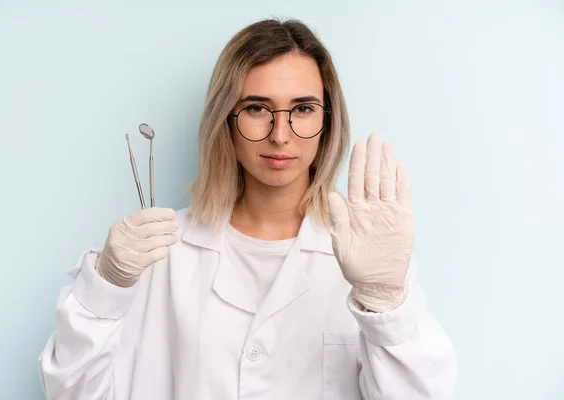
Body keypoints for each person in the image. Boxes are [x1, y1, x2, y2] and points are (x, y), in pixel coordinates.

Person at [39, 18, 456, 399]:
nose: (280, 135)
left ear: (328, 120)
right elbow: (71, 391)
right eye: (257, 108)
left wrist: (383, 303)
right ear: (226, 117)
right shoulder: (160, 253)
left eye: (303, 109)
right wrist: (105, 287)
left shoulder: (369, 259)